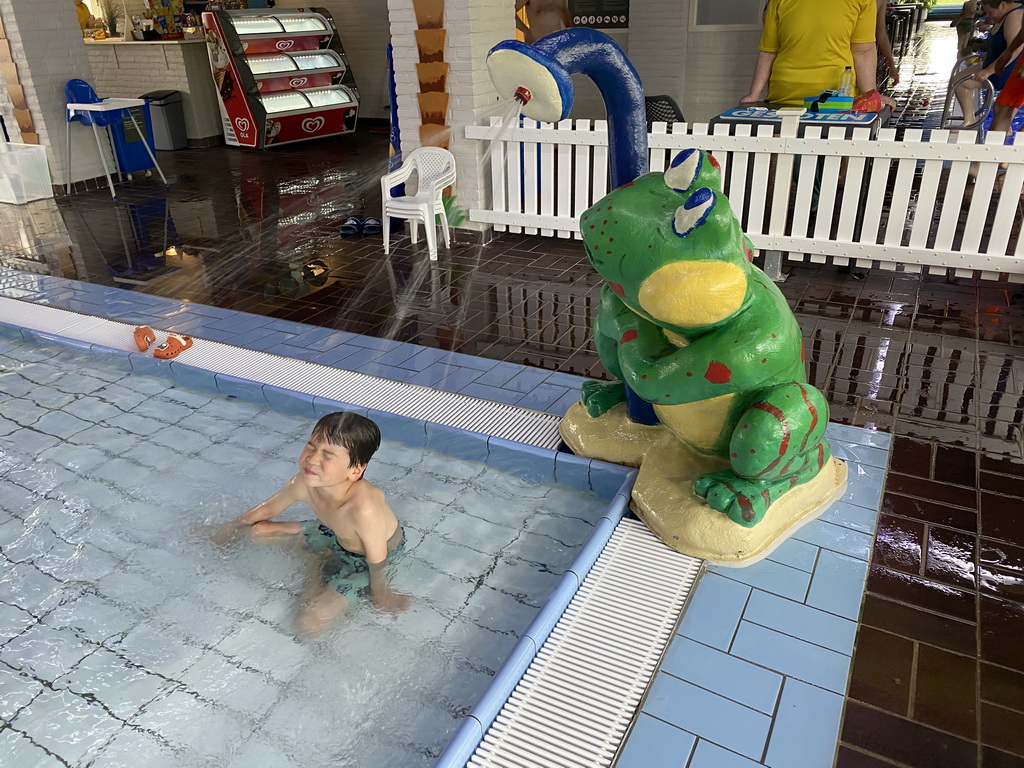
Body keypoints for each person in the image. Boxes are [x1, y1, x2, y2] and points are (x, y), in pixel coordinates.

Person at [214, 411, 410, 636]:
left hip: (366, 560)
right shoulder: (304, 483)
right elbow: (267, 510)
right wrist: (228, 528)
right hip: (335, 537)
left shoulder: (364, 508)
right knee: (257, 531)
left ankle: (317, 568)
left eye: (327, 455)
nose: (312, 458)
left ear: (355, 470)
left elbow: (378, 559)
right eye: (311, 446)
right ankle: (317, 560)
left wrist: (380, 593)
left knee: (309, 625)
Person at [740, 0, 882, 107]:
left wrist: (870, 95)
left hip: (836, 101)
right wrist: (754, 94)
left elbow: (863, 51)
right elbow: (769, 50)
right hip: (784, 98)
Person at [957, 0, 1024, 127]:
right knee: (1003, 110)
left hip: (1007, 71)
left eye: (990, 12)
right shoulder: (1008, 15)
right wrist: (988, 54)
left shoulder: (1015, 16)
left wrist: (988, 71)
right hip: (1001, 66)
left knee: (962, 83)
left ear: (1002, 5)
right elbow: (1006, 45)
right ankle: (972, 121)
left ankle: (969, 121)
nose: (988, 16)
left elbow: (1015, 49)